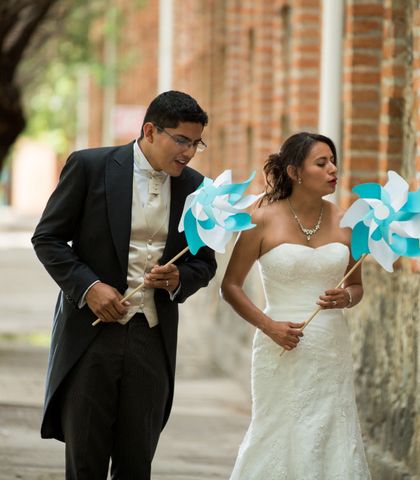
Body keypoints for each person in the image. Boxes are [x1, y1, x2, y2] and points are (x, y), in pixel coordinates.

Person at [32, 90, 217, 479]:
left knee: (137, 461)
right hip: (90, 337)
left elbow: (205, 262)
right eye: (181, 140)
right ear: (150, 130)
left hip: (152, 337)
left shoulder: (198, 189)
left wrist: (179, 278)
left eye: (196, 143)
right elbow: (47, 238)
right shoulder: (90, 166)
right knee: (86, 458)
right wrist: (89, 287)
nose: (189, 152)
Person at [221, 132, 371, 479]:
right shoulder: (261, 219)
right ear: (294, 171)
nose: (334, 169)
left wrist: (345, 298)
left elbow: (357, 286)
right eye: (322, 162)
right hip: (279, 346)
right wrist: (269, 326)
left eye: (334, 161)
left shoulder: (350, 223)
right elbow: (230, 287)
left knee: (332, 433)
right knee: (276, 431)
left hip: (330, 347)